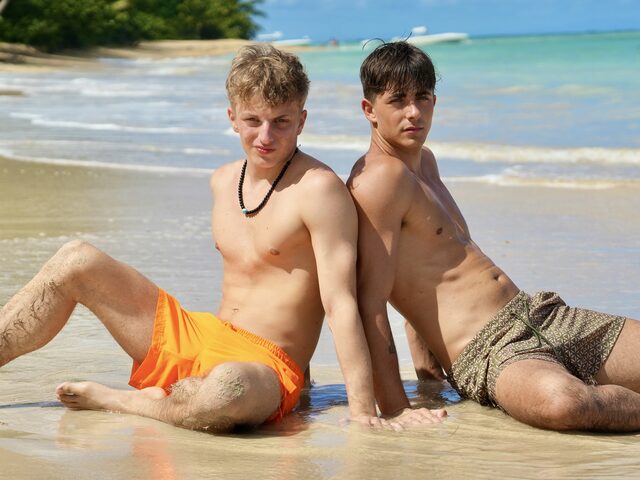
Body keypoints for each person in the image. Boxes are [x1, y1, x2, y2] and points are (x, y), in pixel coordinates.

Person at [0, 44, 446, 433]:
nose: (266, 136)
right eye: (253, 120)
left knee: (226, 389)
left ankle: (124, 401)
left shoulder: (319, 189)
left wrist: (364, 411)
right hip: (200, 336)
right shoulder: (222, 180)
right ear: (232, 117)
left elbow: (341, 303)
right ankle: (168, 399)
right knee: (75, 259)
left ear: (302, 120)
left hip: (264, 368)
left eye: (281, 121)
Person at [348, 41, 640, 432]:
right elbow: (370, 300)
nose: (413, 112)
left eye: (423, 97)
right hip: (488, 352)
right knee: (565, 403)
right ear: (369, 109)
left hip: (539, 314)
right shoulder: (378, 180)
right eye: (397, 101)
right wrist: (397, 406)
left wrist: (427, 376)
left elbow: (425, 272)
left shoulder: (425, 162)